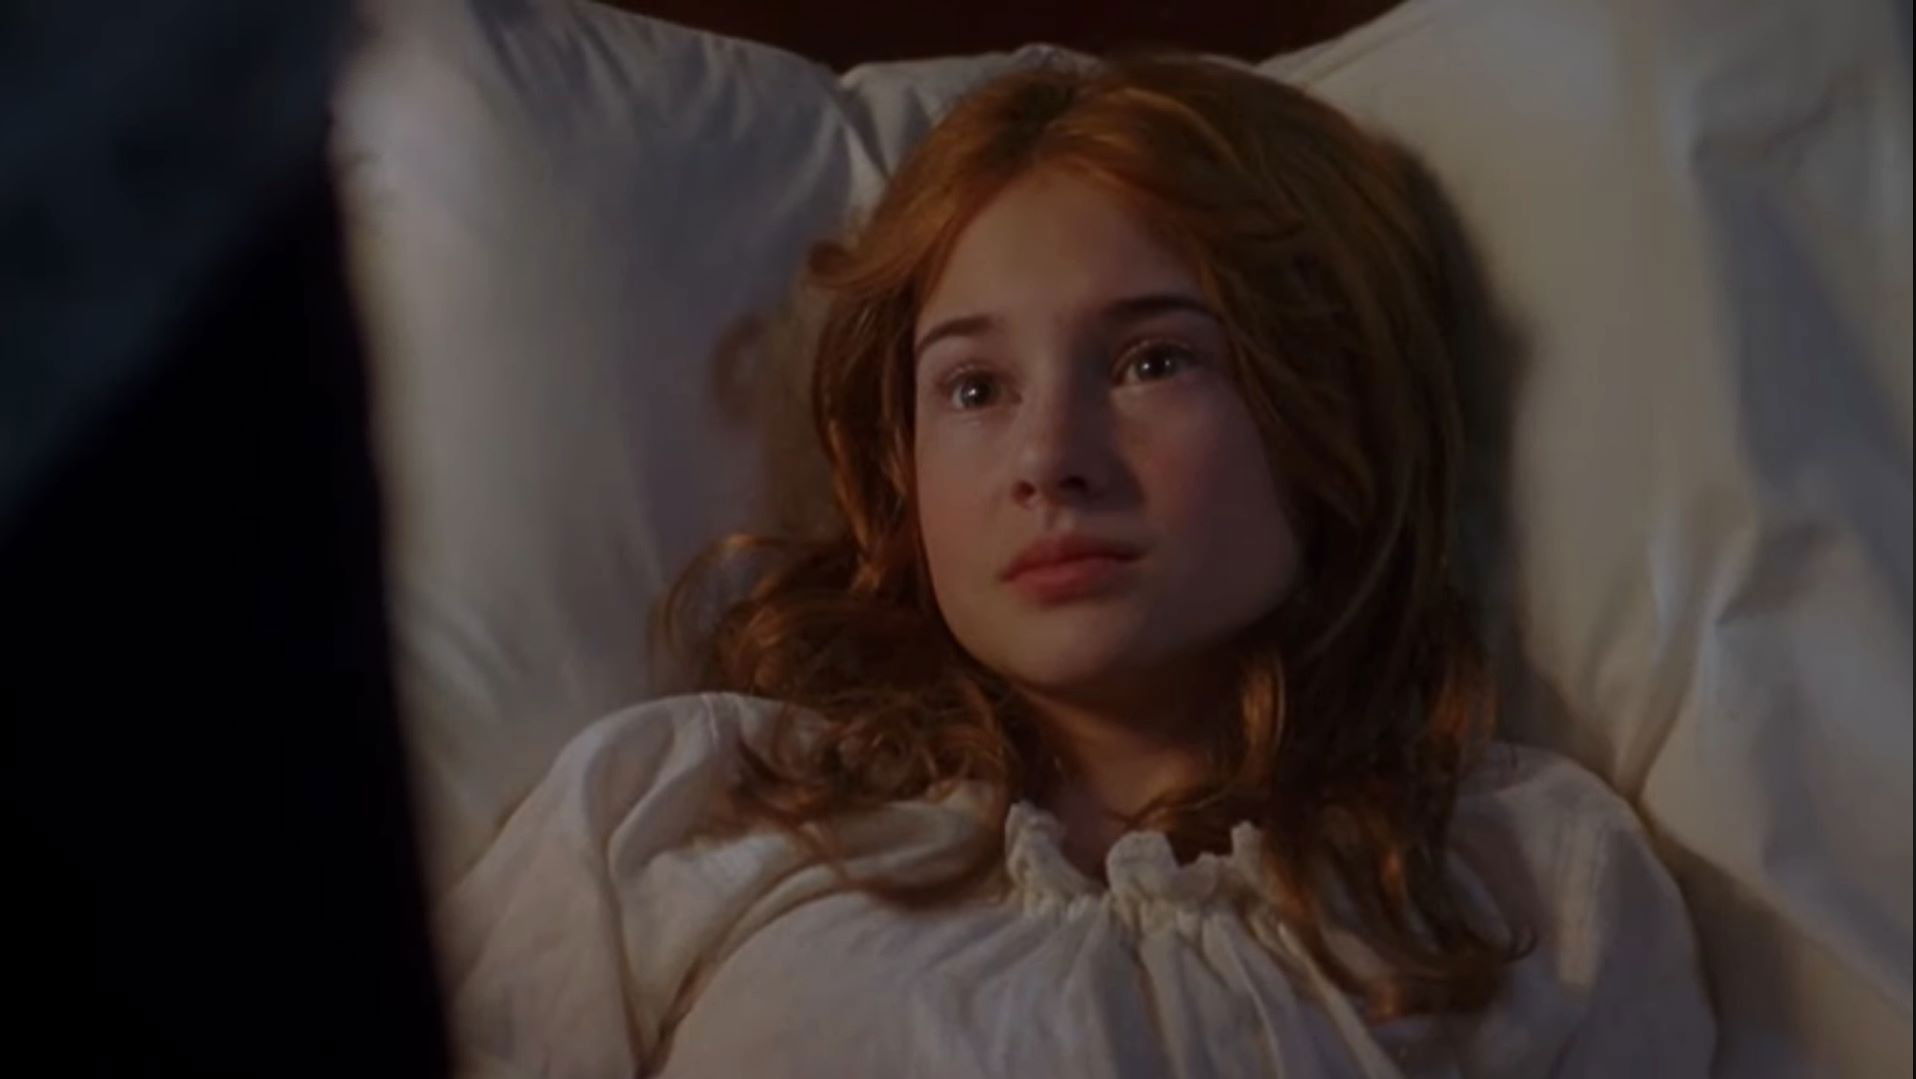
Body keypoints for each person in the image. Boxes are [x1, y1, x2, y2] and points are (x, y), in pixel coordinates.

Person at [438, 53, 1714, 1077]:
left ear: (1330, 406)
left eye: (1153, 360)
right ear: (902, 463)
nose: (1049, 459)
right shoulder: (680, 814)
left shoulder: (1531, 884)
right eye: (973, 386)